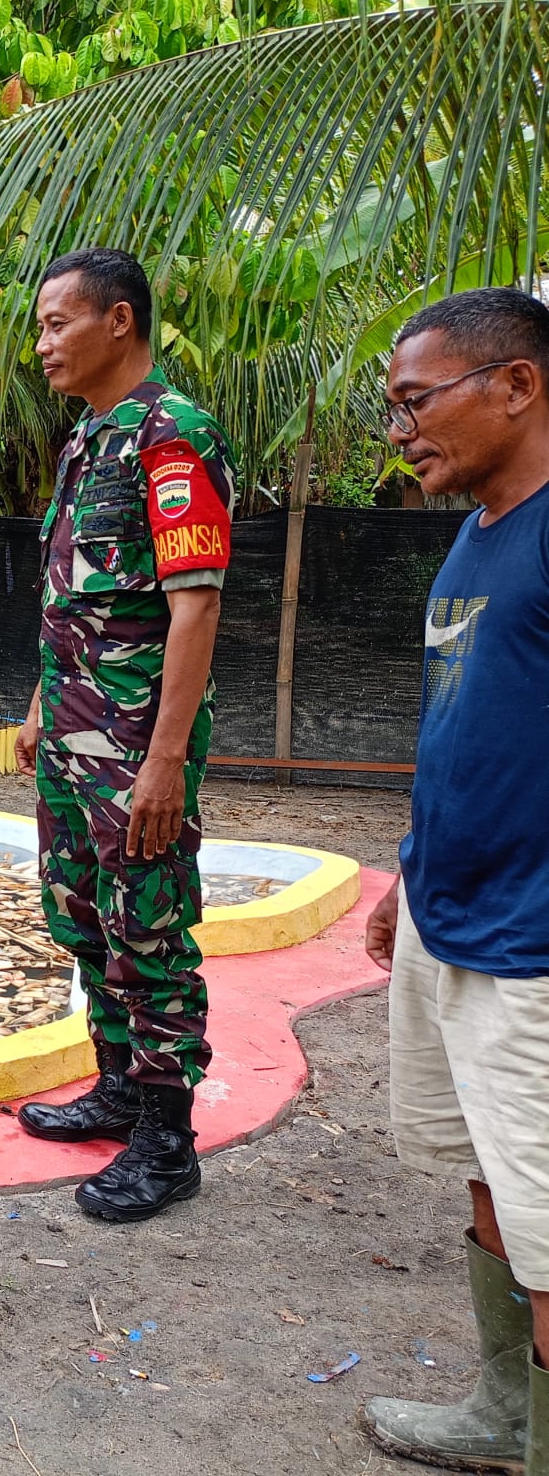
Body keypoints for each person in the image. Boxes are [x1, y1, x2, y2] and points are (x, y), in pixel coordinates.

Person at [359, 287, 549, 1474]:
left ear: (519, 385)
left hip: (532, 946)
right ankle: (504, 1415)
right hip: (451, 912)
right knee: (488, 1171)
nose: (400, 430)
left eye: (417, 400)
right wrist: (410, 873)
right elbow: (468, 727)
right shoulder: (484, 528)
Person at [12, 248, 236, 1224]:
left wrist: (166, 762)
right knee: (83, 913)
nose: (44, 342)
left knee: (147, 924)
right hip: (70, 730)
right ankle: (115, 1086)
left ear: (119, 322)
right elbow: (78, 599)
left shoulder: (171, 436)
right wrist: (36, 704)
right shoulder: (86, 441)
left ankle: (168, 1140)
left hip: (137, 742)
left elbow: (194, 610)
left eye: (59, 323)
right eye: (41, 326)